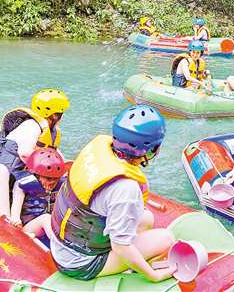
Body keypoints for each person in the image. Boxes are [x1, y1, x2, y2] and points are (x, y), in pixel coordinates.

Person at [49, 105, 175, 281]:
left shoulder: (99, 149)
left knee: (147, 218)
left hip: (63, 247)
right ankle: (127, 267)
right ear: (152, 149)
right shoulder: (126, 188)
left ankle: (126, 262)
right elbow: (120, 246)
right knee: (165, 238)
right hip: (80, 264)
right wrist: (153, 275)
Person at [0, 89, 70, 218]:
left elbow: (58, 159)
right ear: (55, 115)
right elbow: (25, 153)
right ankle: (6, 220)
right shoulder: (31, 126)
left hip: (18, 195)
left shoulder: (51, 132)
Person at [9, 147, 65, 239]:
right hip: (27, 228)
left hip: (51, 226)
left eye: (56, 178)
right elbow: (15, 215)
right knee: (45, 218)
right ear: (36, 175)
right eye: (48, 178)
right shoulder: (22, 185)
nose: (52, 182)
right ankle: (60, 246)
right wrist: (15, 220)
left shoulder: (61, 185)